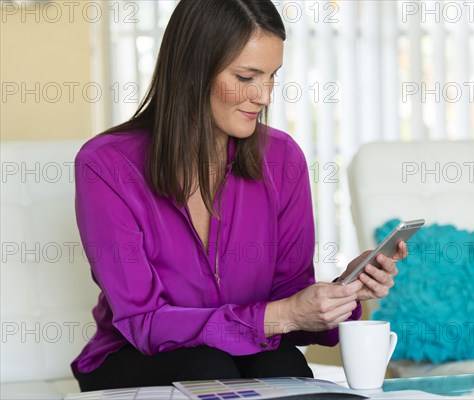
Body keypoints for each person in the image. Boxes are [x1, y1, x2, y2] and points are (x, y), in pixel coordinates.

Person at [71, 0, 407, 391]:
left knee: (280, 361)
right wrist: (279, 316)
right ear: (193, 72)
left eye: (272, 77)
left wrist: (339, 294)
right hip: (134, 358)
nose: (264, 96)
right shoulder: (107, 165)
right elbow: (143, 323)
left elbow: (287, 307)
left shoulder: (282, 159)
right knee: (207, 366)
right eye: (247, 77)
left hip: (239, 356)